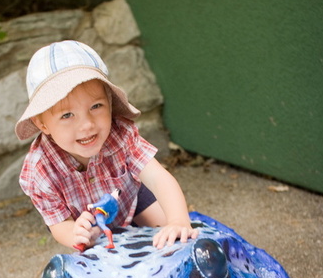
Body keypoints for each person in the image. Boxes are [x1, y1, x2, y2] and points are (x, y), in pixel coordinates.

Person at [15, 40, 197, 251]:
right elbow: (58, 224)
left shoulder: (120, 134)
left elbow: (158, 178)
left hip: (130, 198)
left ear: (110, 103)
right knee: (102, 262)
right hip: (83, 220)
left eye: (96, 106)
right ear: (42, 123)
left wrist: (178, 220)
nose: (87, 125)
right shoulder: (39, 171)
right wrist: (75, 233)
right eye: (67, 115)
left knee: (173, 239)